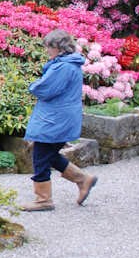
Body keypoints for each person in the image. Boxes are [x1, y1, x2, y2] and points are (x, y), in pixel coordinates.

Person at [21, 28, 98, 212]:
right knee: (48, 155)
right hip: (58, 118)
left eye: (49, 47)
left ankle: (43, 200)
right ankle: (83, 180)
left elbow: (45, 88)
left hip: (55, 120)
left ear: (59, 47)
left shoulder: (63, 67)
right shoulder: (67, 64)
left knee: (41, 157)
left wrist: (33, 86)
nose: (47, 50)